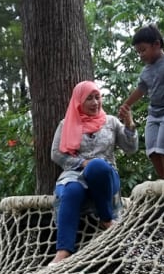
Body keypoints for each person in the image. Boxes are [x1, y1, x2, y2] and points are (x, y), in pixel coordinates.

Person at [50, 80, 138, 263]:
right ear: (78, 101)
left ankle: (106, 218)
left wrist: (129, 124)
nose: (95, 103)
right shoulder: (66, 124)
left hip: (104, 175)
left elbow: (131, 148)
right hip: (75, 174)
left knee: (97, 166)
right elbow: (56, 153)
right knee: (71, 190)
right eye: (89, 98)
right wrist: (82, 163)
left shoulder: (111, 122)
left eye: (97, 97)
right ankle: (63, 250)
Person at [119, 24, 164, 180]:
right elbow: (141, 89)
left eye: (143, 50)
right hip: (154, 113)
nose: (141, 55)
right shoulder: (146, 71)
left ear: (156, 44)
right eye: (138, 52)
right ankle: (163, 180)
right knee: (152, 149)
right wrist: (126, 104)